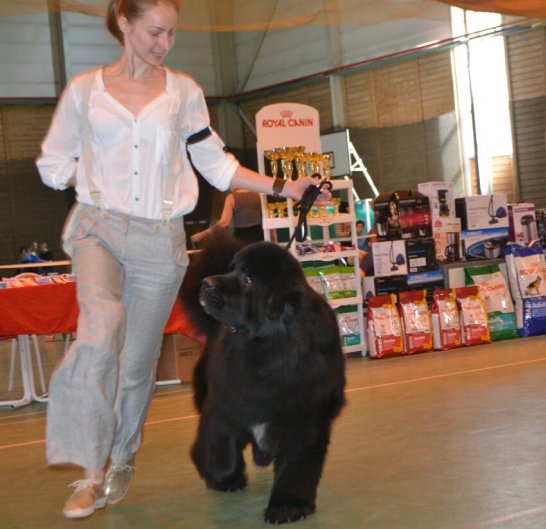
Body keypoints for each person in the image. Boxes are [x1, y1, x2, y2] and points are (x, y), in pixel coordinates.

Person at [35, 0, 328, 520]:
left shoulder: (183, 93)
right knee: (101, 332)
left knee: (136, 367)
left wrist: (285, 185)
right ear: (123, 23)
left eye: (171, 34)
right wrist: (86, 176)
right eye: (153, 31)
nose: (162, 43)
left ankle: (120, 459)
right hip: (98, 228)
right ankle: (89, 473)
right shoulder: (84, 92)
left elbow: (216, 166)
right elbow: (52, 163)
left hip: (158, 240)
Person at [191, 187, 263, 245]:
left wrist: (202, 234)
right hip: (259, 236)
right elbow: (265, 217)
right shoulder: (257, 194)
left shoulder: (231, 197)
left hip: (241, 239)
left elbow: (224, 222)